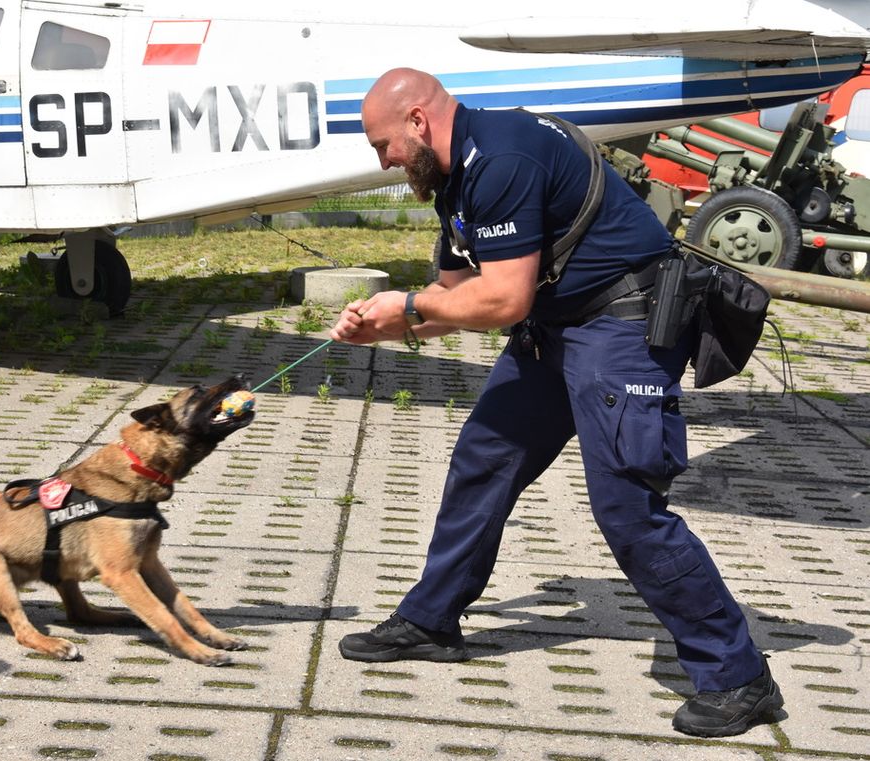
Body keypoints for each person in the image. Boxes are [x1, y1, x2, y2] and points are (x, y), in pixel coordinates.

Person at [329, 67, 783, 738]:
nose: (385, 161)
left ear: (418, 122)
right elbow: (455, 296)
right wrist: (386, 320)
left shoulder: (502, 157)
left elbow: (502, 300)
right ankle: (431, 618)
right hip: (557, 326)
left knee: (626, 506)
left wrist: (410, 307)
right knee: (484, 457)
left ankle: (739, 677)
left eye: (383, 146)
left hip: (622, 325)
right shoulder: (456, 175)